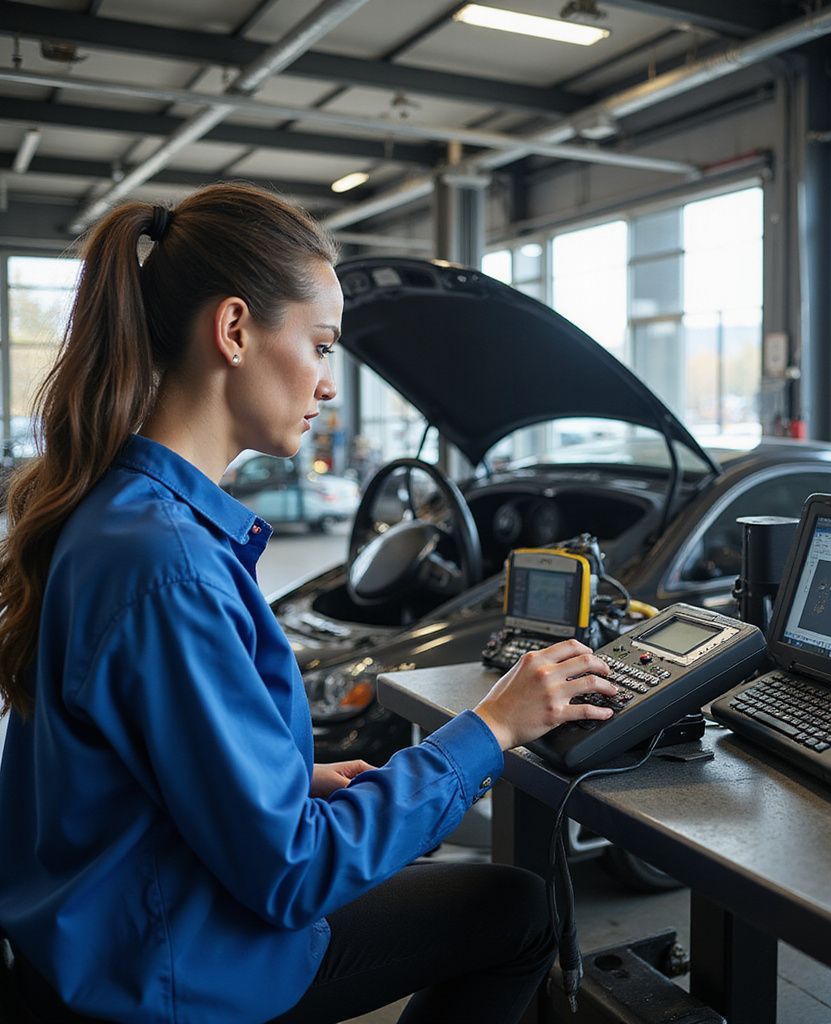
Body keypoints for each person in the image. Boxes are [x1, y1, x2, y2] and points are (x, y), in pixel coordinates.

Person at [0, 184, 620, 1024]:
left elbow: (132, 765)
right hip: (169, 976)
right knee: (516, 913)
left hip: (98, 942)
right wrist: (492, 727)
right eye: (322, 346)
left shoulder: (121, 515)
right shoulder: (170, 566)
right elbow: (293, 875)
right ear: (233, 331)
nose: (328, 384)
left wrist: (287, 781)